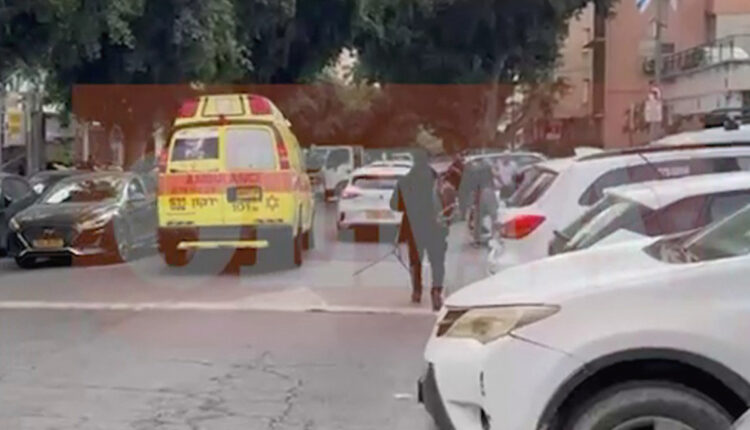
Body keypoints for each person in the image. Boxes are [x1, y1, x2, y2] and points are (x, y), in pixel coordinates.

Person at [390, 150, 449, 311]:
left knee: (416, 261)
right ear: (428, 161)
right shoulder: (438, 180)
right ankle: (436, 290)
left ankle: (417, 291)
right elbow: (448, 203)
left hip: (414, 226)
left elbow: (394, 205)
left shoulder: (405, 181)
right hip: (435, 226)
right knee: (437, 262)